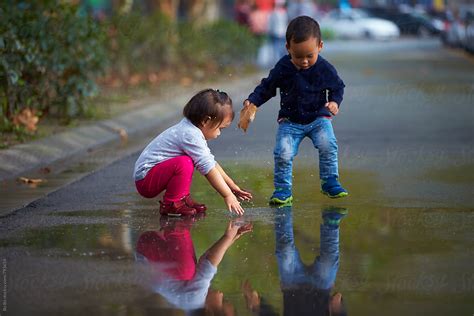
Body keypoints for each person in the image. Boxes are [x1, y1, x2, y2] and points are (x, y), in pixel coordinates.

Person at [238, 16, 348, 205]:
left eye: (309, 56)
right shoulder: (284, 67)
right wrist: (252, 100)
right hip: (290, 121)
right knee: (283, 152)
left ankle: (330, 181)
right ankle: (282, 189)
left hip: (318, 118)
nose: (304, 61)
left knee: (327, 144)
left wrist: (334, 102)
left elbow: (338, 86)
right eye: (298, 56)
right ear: (288, 47)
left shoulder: (324, 68)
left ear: (320, 46)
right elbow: (267, 87)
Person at [134, 89, 252, 216]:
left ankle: (181, 200)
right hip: (146, 180)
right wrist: (227, 195)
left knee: (187, 161)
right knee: (184, 162)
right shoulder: (190, 135)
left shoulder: (191, 129)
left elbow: (211, 163)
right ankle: (172, 204)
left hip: (151, 175)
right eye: (220, 128)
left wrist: (232, 186)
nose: (219, 134)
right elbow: (208, 169)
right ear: (206, 121)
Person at [242, 206, 348, 315]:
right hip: (321, 287)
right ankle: (331, 224)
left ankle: (283, 216)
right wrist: (338, 310)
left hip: (291, 284)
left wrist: (258, 306)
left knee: (285, 252)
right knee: (329, 260)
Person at [135, 215, 253, 314]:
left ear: (210, 312)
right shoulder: (192, 303)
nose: (222, 294)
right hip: (149, 251)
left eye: (223, 301)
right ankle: (175, 222)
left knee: (186, 271)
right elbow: (205, 260)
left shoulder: (194, 301)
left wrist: (228, 237)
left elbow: (209, 264)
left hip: (147, 251)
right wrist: (233, 238)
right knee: (189, 272)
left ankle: (177, 222)